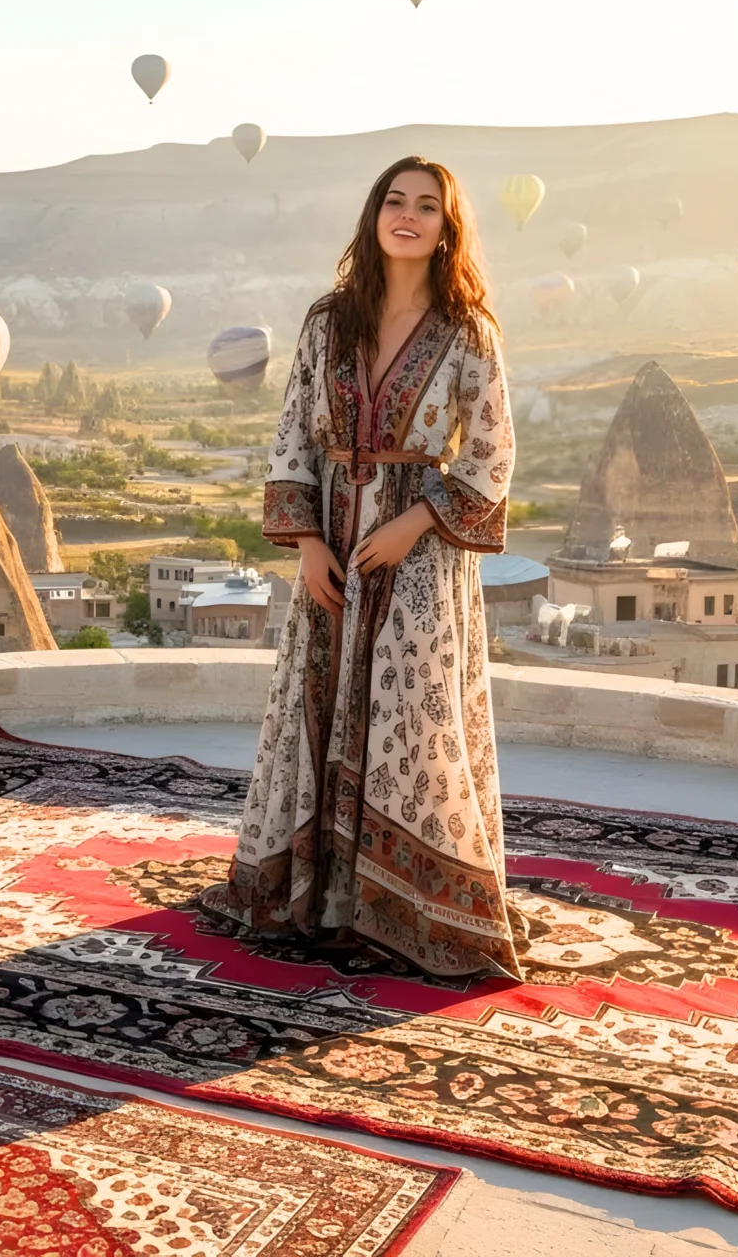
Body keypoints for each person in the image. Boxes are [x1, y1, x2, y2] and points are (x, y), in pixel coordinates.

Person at [204, 156, 523, 980]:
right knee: (316, 701)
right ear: (374, 213)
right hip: (333, 549)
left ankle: (413, 904)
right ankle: (319, 895)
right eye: (394, 200)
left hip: (419, 557)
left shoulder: (469, 331)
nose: (408, 215)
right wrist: (308, 541)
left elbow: (491, 455)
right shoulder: (326, 321)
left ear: (448, 228)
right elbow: (292, 437)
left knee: (413, 718)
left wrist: (416, 522)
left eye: (427, 206)